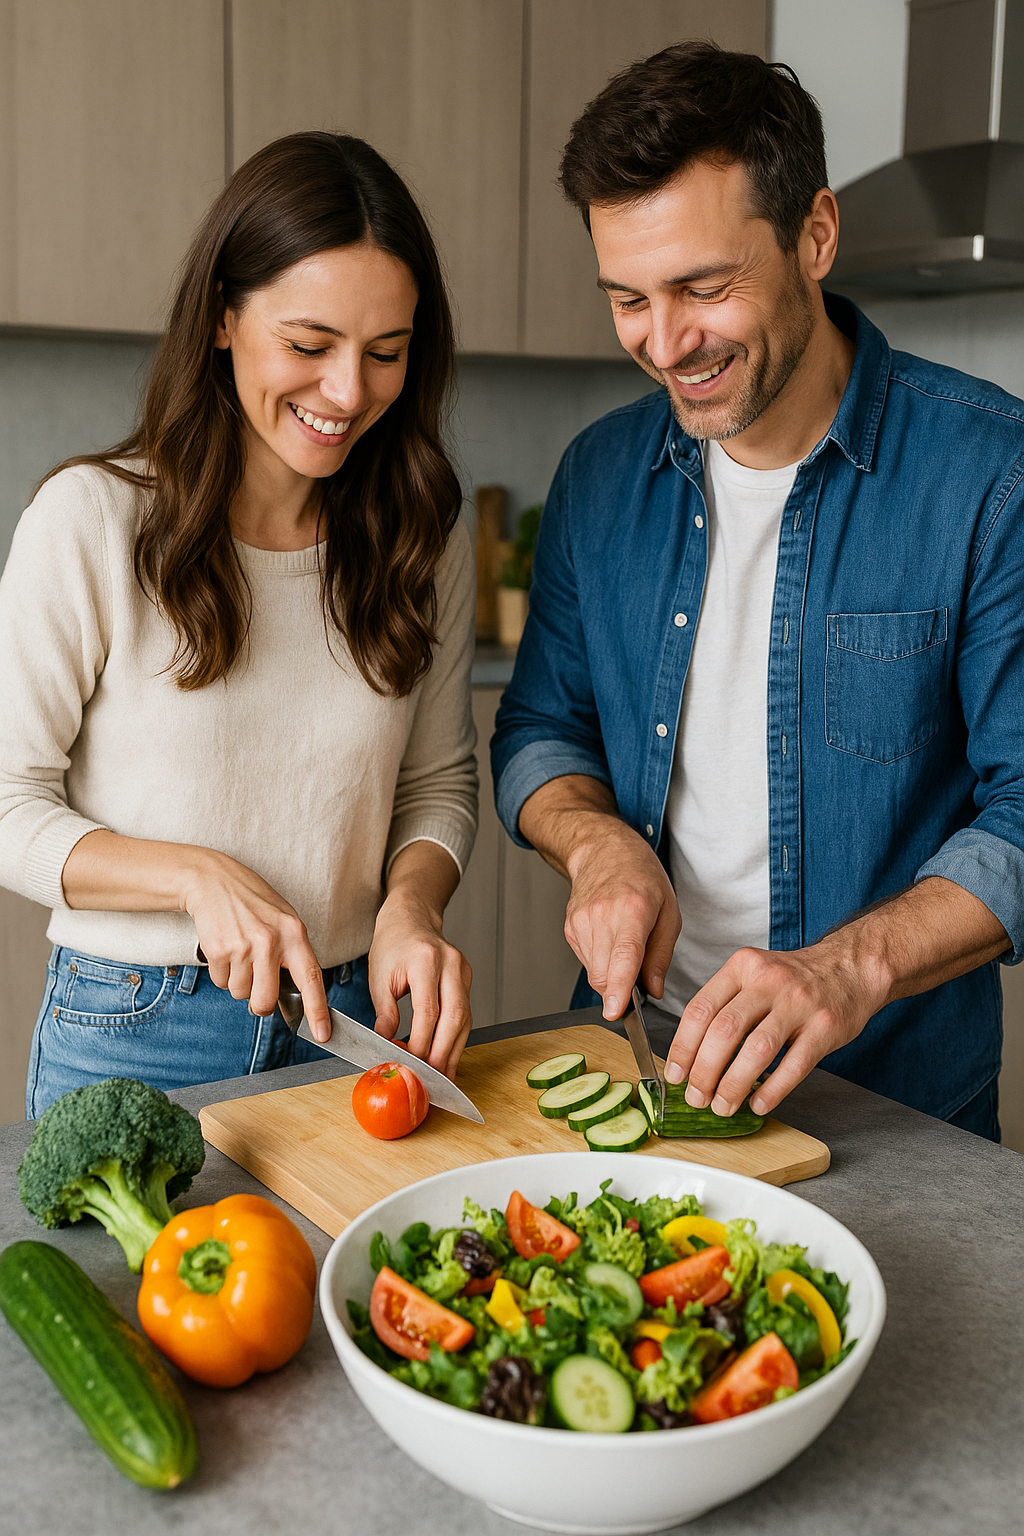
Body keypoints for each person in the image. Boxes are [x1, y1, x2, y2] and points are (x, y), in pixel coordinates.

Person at [491, 43, 1024, 1142]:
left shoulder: (989, 475)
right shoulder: (599, 477)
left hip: (898, 1105)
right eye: (628, 299)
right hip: (640, 1070)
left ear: (814, 235)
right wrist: (594, 844)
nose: (665, 343)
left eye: (704, 287)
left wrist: (845, 970)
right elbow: (543, 728)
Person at [0, 132, 478, 1118]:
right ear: (223, 316)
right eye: (309, 345)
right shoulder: (92, 520)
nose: (348, 392)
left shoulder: (421, 539)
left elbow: (436, 783)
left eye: (385, 353)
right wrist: (193, 878)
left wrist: (412, 905)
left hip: (350, 1016)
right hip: (137, 1024)